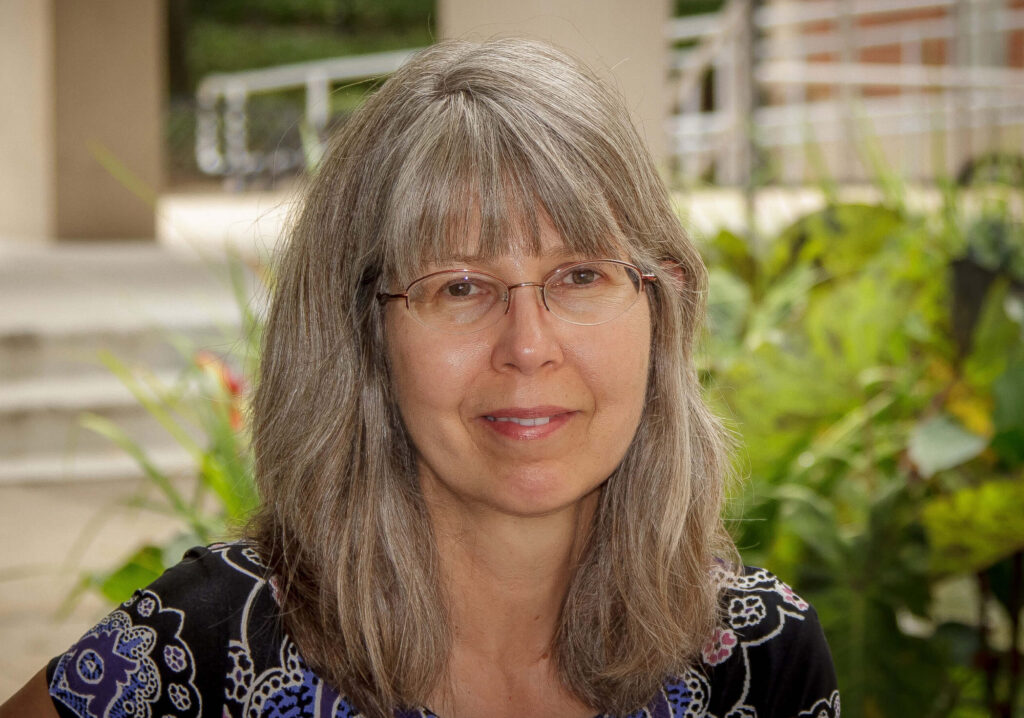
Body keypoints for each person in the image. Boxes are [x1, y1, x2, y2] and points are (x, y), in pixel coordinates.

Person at [1, 38, 838, 718]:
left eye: (581, 275)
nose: (529, 347)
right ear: (360, 332)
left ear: (663, 302)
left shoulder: (759, 660)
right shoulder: (203, 651)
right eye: (460, 287)